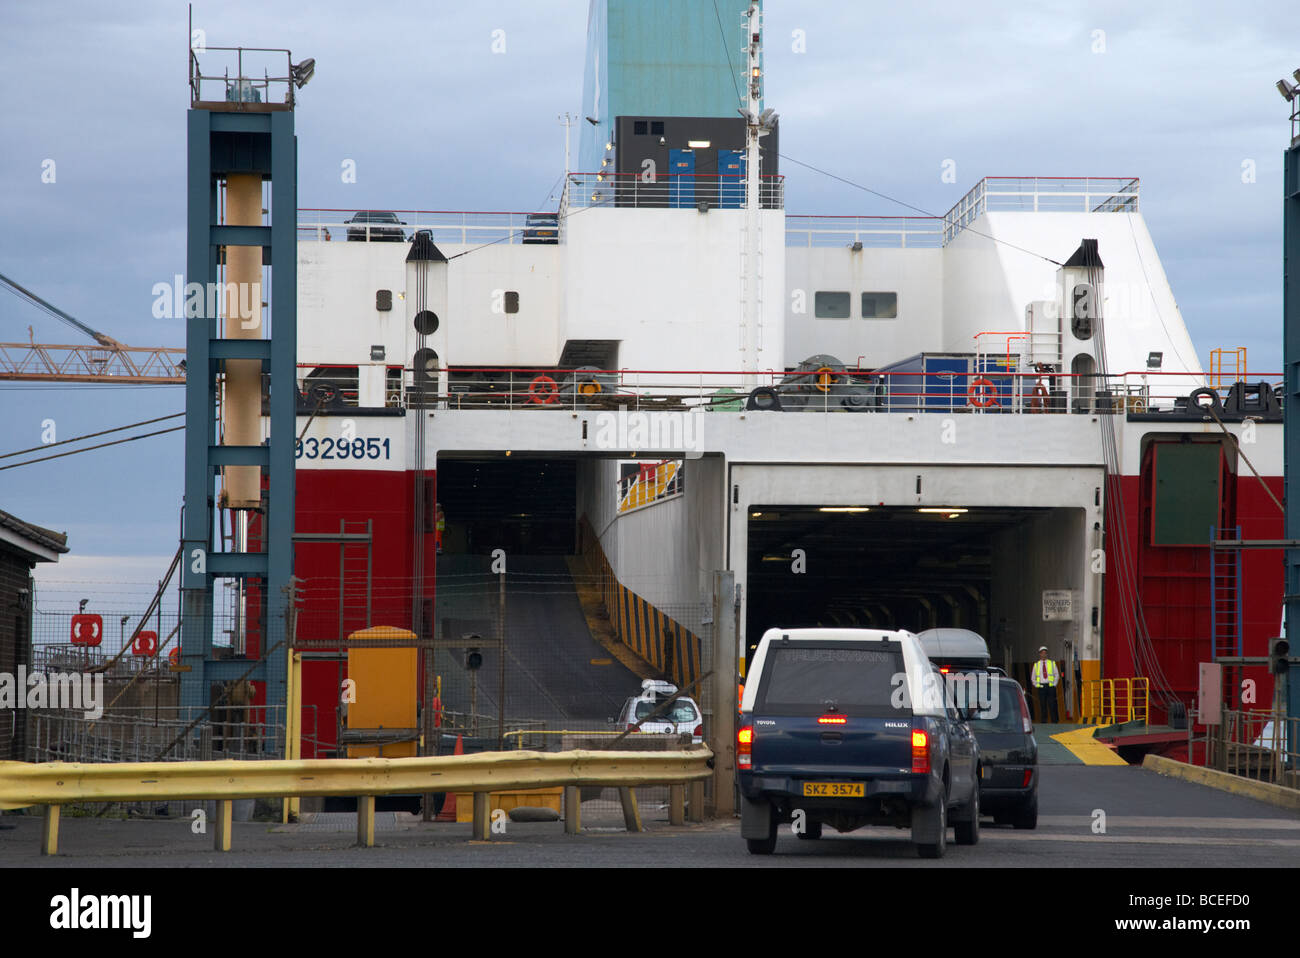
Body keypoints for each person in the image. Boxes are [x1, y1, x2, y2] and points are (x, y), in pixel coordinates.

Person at [1031, 645, 1060, 723]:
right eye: (1042, 653)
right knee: (1043, 705)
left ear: (1047, 654)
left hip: (1050, 687)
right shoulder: (1036, 665)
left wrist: (1054, 684)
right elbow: (1033, 678)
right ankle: (1044, 721)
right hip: (1041, 687)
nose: (1043, 655)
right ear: (1039, 654)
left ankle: (1054, 721)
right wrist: (1037, 685)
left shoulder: (1052, 663)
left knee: (1052, 705)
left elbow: (1057, 675)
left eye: (1045, 653)